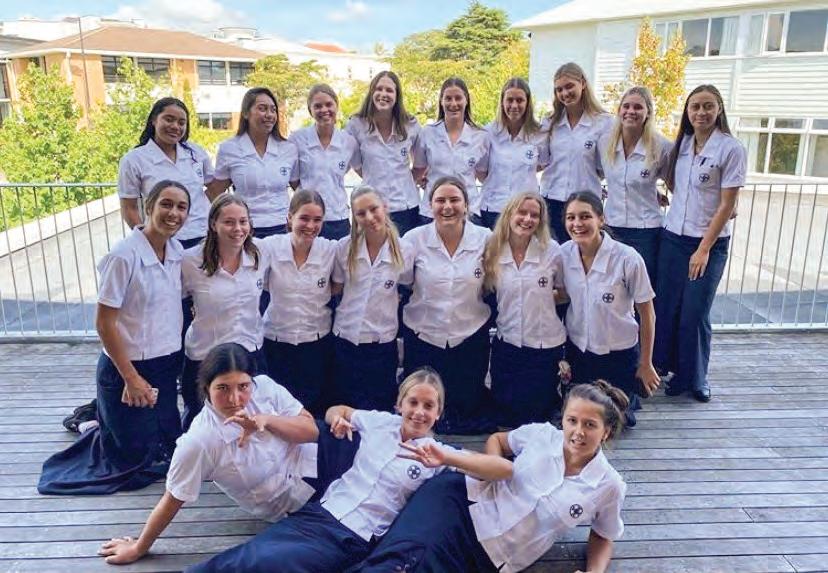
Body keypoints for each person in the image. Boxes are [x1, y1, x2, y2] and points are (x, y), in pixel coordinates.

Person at [186, 368, 511, 573]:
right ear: (399, 404)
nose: (419, 412)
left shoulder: (438, 453)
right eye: (413, 402)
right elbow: (337, 409)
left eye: (429, 406)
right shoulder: (380, 423)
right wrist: (336, 419)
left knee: (274, 563)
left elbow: (502, 469)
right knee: (252, 553)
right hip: (319, 513)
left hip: (353, 537)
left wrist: (448, 458)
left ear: (439, 413)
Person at [356, 380, 629, 573]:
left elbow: (604, 535)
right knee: (397, 562)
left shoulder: (609, 485)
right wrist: (494, 470)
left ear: (605, 432)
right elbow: (498, 440)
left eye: (590, 425)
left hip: (494, 558)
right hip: (459, 504)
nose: (578, 432)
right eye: (572, 421)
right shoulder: (541, 436)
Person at [97, 343, 320, 565]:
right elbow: (173, 497)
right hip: (303, 499)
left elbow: (312, 431)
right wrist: (138, 547)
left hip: (323, 454)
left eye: (243, 386)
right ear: (206, 388)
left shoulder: (265, 387)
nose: (235, 399)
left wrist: (268, 421)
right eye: (223, 388)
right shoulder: (200, 441)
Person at [39, 181, 190, 495]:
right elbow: (104, 324)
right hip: (128, 367)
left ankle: (98, 417)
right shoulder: (123, 256)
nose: (173, 213)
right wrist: (131, 379)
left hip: (164, 364)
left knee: (165, 449)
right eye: (166, 204)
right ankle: (91, 422)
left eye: (181, 207)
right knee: (131, 463)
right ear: (148, 207)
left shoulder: (176, 251)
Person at [655, 84, 746, 403]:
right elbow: (674, 182)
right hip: (673, 238)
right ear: (687, 111)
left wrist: (703, 249)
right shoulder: (682, 144)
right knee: (668, 307)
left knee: (695, 312)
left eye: (708, 106)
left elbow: (727, 205)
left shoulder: (731, 148)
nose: (701, 112)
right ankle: (669, 370)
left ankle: (695, 377)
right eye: (695, 106)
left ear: (719, 109)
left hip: (708, 243)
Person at [400, 176, 494, 434]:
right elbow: (405, 281)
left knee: (466, 409)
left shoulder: (486, 238)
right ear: (430, 205)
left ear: (466, 205)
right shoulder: (413, 239)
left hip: (469, 336)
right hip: (424, 336)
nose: (447, 206)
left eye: (455, 200)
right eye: (440, 200)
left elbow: (493, 281)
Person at [560, 192, 660, 427]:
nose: (577, 224)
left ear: (601, 219)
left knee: (614, 422)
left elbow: (647, 314)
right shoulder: (563, 253)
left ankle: (629, 397)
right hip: (579, 353)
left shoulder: (628, 259)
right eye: (571, 217)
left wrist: (646, 364)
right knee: (581, 417)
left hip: (618, 355)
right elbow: (562, 294)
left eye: (585, 216)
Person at [179, 195, 268, 431]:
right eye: (229, 222)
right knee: (201, 424)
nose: (238, 229)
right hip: (205, 356)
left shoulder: (261, 254)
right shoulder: (189, 261)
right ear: (213, 224)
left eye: (243, 221)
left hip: (249, 353)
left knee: (249, 420)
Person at [481, 192, 566, 427]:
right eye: (522, 212)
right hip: (507, 343)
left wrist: (540, 299)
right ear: (509, 214)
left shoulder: (552, 251)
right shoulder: (493, 250)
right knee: (505, 415)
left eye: (534, 215)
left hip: (543, 346)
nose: (527, 219)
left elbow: (564, 292)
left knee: (538, 417)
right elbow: (486, 290)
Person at [258, 190, 336, 416]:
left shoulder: (331, 250)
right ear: (290, 217)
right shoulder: (269, 247)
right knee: (279, 411)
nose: (310, 226)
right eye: (304, 218)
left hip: (316, 344)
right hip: (277, 343)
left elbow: (338, 285)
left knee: (314, 411)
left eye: (317, 220)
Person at [330, 186, 405, 410]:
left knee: (379, 409)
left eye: (374, 209)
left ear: (385, 207)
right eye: (361, 213)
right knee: (345, 408)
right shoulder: (344, 248)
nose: (369, 217)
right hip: (346, 340)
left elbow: (409, 283)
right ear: (354, 217)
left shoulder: (405, 250)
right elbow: (337, 287)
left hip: (381, 344)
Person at [598, 86, 672, 285]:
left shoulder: (662, 147)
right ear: (619, 110)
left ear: (648, 113)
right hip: (612, 228)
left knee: (642, 289)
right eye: (626, 106)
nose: (631, 111)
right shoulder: (604, 143)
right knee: (613, 288)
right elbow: (595, 173)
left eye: (638, 107)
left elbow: (677, 185)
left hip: (646, 231)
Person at [118, 98, 213, 249]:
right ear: (154, 120)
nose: (175, 126)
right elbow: (129, 208)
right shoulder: (134, 160)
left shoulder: (196, 152)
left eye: (181, 123)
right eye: (169, 119)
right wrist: (147, 241)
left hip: (203, 236)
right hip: (163, 240)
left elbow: (214, 187)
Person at [207, 88, 297, 239]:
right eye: (262, 109)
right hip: (245, 230)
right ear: (246, 113)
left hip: (283, 228)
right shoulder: (229, 148)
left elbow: (299, 189)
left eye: (273, 110)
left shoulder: (288, 148)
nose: (269, 115)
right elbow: (214, 192)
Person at [540, 63, 612, 242]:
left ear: (583, 83)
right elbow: (542, 161)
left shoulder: (603, 122)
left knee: (584, 253)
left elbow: (606, 167)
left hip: (586, 204)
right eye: (559, 89)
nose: (565, 93)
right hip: (552, 201)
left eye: (569, 86)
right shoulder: (549, 122)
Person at [346, 71, 422, 236]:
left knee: (405, 252)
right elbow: (357, 165)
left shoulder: (410, 124)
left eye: (389, 90)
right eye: (379, 89)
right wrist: (376, 177)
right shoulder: (356, 124)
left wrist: (403, 181)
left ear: (397, 95)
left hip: (406, 207)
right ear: (371, 92)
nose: (383, 94)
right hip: (371, 208)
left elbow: (421, 164)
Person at [412, 77, 487, 225]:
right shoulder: (427, 133)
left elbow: (482, 174)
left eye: (458, 98)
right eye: (448, 98)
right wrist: (422, 180)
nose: (453, 104)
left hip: (468, 212)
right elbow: (418, 169)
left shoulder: (481, 136)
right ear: (441, 101)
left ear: (466, 100)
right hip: (432, 212)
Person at [289, 84, 360, 240]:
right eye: (318, 106)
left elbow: (356, 169)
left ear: (336, 106)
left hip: (338, 218)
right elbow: (294, 180)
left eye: (329, 104)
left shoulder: (348, 142)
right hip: (307, 219)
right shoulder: (297, 139)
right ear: (310, 110)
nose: (324, 110)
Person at [477, 78, 545, 230]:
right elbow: (481, 173)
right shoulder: (488, 133)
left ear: (527, 103)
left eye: (520, 100)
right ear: (502, 102)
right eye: (510, 100)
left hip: (525, 212)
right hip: (493, 209)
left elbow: (543, 164)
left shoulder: (539, 134)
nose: (514, 105)